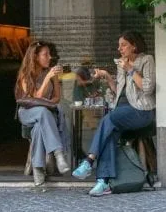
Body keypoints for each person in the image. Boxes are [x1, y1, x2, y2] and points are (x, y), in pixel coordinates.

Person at [72, 31, 155, 196]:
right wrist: (107, 76)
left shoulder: (147, 60)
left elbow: (147, 88)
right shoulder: (122, 64)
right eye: (119, 45)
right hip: (122, 113)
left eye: (123, 45)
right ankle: (103, 182)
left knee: (108, 119)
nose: (120, 49)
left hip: (141, 112)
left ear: (134, 46)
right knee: (109, 133)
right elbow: (119, 92)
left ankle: (89, 161)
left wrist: (130, 69)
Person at [15, 40, 71, 186]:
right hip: (27, 112)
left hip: (45, 113)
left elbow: (57, 97)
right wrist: (47, 78)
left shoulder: (53, 73)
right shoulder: (25, 75)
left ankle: (38, 167)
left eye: (49, 54)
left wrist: (49, 103)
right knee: (41, 112)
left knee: (40, 126)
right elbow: (34, 98)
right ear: (35, 57)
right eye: (45, 55)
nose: (49, 57)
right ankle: (59, 154)